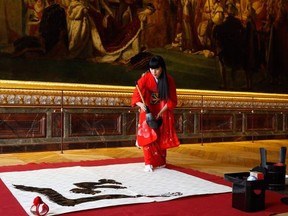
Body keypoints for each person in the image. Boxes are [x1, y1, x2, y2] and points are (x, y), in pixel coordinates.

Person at [131, 55, 180, 172]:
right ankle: (148, 162)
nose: (154, 72)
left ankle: (160, 162)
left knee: (160, 136)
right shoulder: (145, 78)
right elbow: (136, 95)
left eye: (157, 69)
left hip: (162, 110)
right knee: (148, 136)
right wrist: (140, 104)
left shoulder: (169, 80)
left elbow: (172, 100)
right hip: (148, 109)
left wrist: (161, 112)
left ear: (162, 68)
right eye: (151, 69)